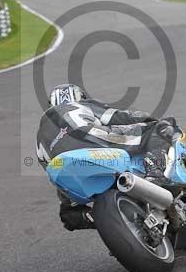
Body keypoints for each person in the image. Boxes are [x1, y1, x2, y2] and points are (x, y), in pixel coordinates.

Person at [36, 83, 178, 231]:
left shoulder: (39, 136)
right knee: (160, 128)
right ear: (80, 97)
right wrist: (150, 119)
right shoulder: (80, 104)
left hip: (66, 166)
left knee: (69, 215)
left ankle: (102, 219)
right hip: (94, 140)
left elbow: (49, 168)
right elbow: (120, 117)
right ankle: (155, 174)